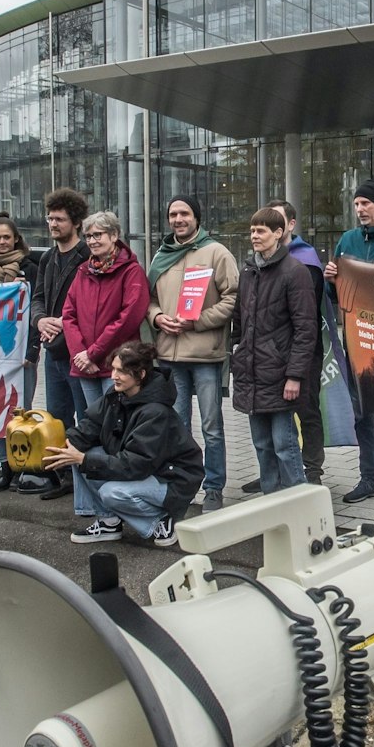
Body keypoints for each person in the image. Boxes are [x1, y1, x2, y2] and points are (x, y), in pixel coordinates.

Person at [44, 340, 202, 548]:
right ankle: (109, 522)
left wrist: (85, 460)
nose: (113, 376)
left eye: (121, 371)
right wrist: (59, 448)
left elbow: (136, 464)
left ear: (140, 375)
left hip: (174, 479)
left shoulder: (156, 412)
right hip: (148, 469)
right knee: (74, 453)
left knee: (111, 492)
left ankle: (161, 520)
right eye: (113, 369)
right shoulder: (117, 394)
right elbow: (90, 425)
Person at [145, 194, 238, 512]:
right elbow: (149, 299)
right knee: (177, 427)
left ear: (196, 218)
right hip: (170, 355)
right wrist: (158, 318)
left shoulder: (216, 253)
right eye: (173, 214)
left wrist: (196, 322)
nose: (178, 219)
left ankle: (213, 487)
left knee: (212, 427)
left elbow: (232, 298)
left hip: (205, 355)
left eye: (184, 213)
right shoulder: (161, 255)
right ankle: (181, 485)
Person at [61, 211, 151, 525]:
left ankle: (117, 507)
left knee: (116, 435)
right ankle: (96, 510)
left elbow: (129, 317)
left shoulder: (132, 271)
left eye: (98, 234)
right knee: (90, 433)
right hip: (86, 367)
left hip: (116, 367)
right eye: (89, 236)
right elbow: (69, 314)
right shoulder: (83, 271)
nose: (92, 241)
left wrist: (95, 352)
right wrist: (79, 353)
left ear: (114, 236)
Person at [322, 178, 374, 504]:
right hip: (355, 340)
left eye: (365, 203)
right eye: (356, 204)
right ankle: (370, 479)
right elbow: (335, 295)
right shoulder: (348, 240)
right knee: (362, 415)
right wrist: (329, 280)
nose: (360, 209)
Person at [232, 207, 318, 493]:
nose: (254, 236)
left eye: (261, 231)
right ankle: (271, 504)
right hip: (252, 375)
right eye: (252, 230)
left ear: (279, 233)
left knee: (285, 446)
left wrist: (294, 375)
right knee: (262, 445)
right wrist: (237, 353)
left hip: (281, 376)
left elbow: (306, 329)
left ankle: (300, 505)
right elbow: (239, 321)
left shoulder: (295, 271)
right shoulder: (248, 271)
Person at [0, 215, 52, 493]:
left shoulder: (31, 268)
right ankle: (4, 465)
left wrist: (33, 349)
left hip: (22, 352)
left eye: (7, 237)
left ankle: (24, 465)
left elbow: (37, 309)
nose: (2, 242)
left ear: (16, 239)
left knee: (21, 410)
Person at [28, 187, 91, 501]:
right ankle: (65, 477)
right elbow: (37, 297)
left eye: (59, 219)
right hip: (53, 353)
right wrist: (40, 320)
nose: (53, 224)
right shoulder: (48, 258)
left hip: (78, 352)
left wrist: (63, 324)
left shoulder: (88, 255)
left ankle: (87, 480)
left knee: (86, 418)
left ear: (75, 222)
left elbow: (92, 305)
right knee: (57, 419)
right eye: (50, 218)